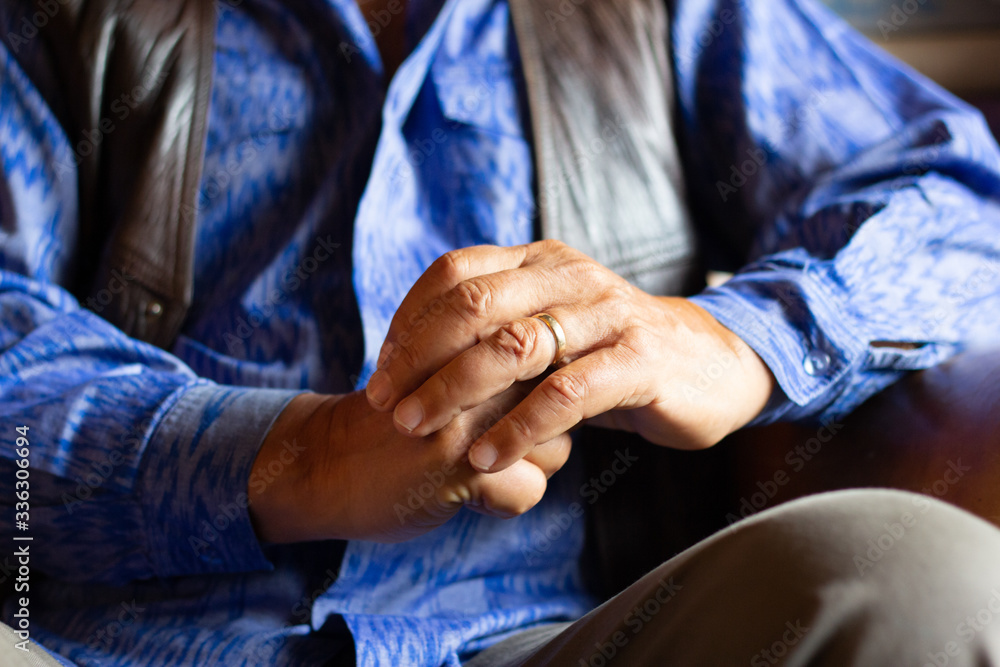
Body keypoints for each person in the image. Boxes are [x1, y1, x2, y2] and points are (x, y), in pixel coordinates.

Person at [2, 0, 1000, 665]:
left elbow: (955, 191)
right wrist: (296, 458)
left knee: (926, 575)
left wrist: (743, 337)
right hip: (92, 647)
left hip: (548, 640)